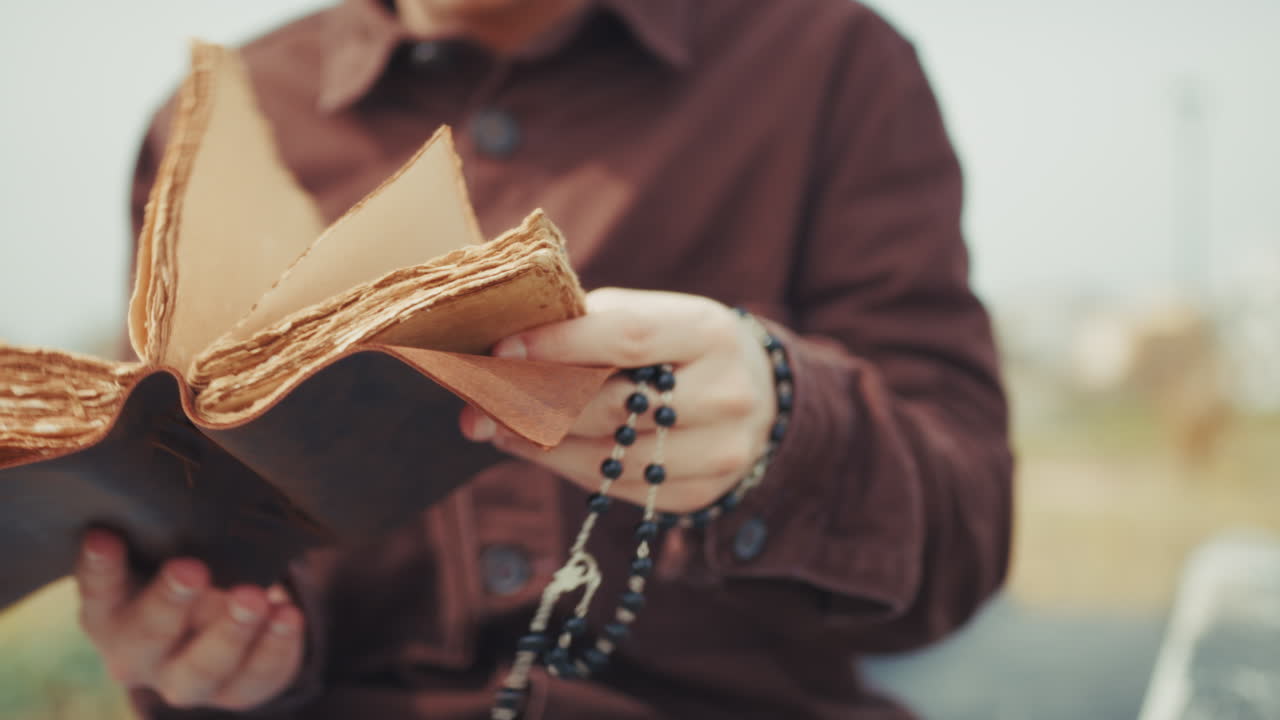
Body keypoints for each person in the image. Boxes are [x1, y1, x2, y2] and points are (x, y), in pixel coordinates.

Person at [73, 0, 1013, 717]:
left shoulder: (826, 60)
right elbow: (177, 522)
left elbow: (968, 535)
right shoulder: (223, 122)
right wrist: (208, 657)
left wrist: (789, 425)